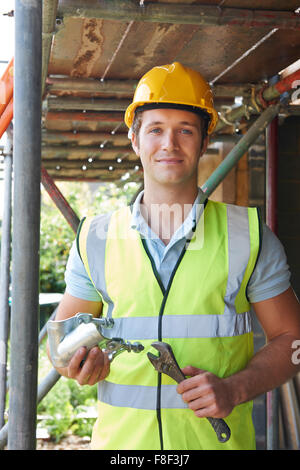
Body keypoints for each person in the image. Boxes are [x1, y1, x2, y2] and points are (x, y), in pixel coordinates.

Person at [48, 62, 300, 450]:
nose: (169, 144)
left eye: (185, 130)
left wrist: (235, 388)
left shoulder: (249, 238)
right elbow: (61, 349)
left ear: (202, 143)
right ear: (135, 140)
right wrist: (78, 365)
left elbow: (293, 340)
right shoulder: (95, 238)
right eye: (156, 130)